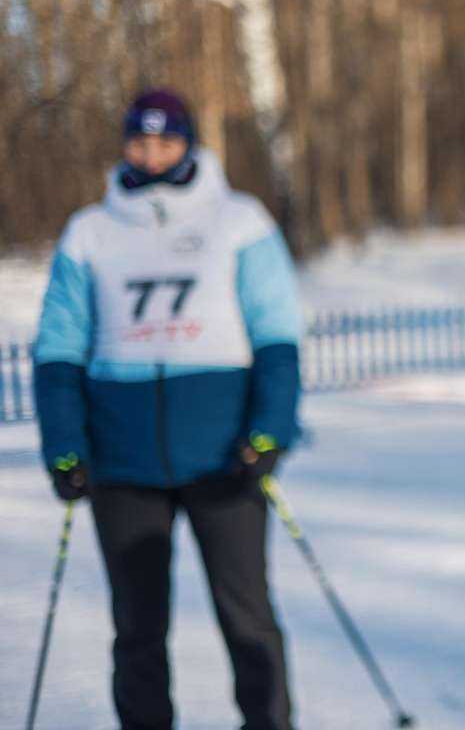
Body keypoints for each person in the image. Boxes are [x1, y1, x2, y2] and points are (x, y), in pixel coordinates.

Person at [34, 89, 302, 730]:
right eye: (139, 141)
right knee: (137, 627)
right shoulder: (90, 231)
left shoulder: (239, 221)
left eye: (165, 141)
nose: (151, 155)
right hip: (123, 464)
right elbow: (59, 349)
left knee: (247, 616)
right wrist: (65, 445)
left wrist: (269, 431)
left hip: (225, 457)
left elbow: (277, 336)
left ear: (188, 144)